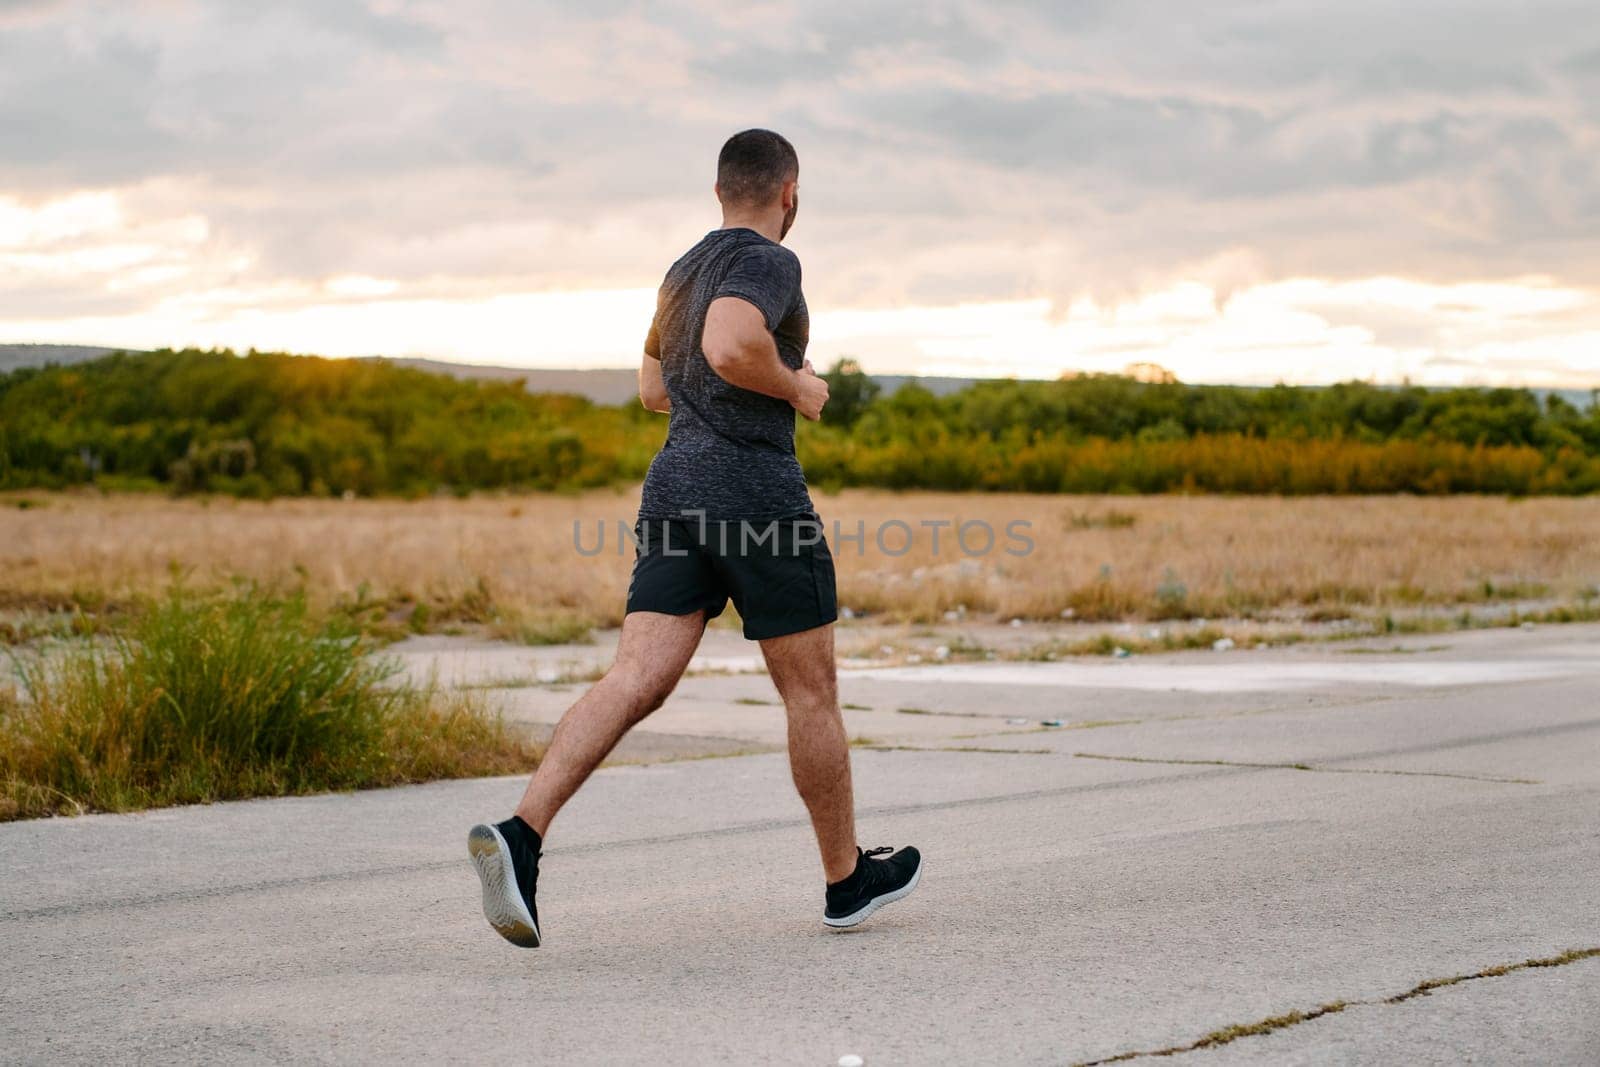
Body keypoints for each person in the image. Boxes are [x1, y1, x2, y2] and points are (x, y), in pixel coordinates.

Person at [467, 129, 922, 948]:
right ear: (790, 192)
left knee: (634, 676)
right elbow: (726, 344)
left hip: (674, 490)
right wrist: (796, 387)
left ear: (720, 192)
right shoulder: (772, 261)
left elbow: (653, 385)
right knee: (810, 692)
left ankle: (522, 833)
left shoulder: (683, 268)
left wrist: (716, 401)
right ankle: (846, 880)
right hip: (756, 497)